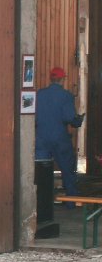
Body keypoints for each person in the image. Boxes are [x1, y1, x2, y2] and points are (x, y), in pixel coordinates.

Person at [35, 66, 84, 204]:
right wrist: (78, 120)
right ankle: (70, 201)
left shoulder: (40, 94)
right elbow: (69, 118)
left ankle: (42, 203)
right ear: (62, 79)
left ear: (51, 79)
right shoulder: (66, 96)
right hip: (59, 139)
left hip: (41, 139)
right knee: (67, 170)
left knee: (42, 171)